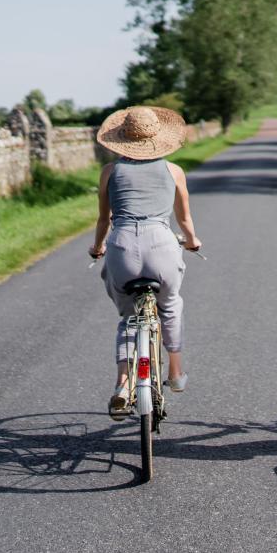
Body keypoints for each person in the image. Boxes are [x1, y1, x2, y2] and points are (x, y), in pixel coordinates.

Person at [89, 105, 202, 419]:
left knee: (128, 317)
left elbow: (103, 220)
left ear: (122, 140)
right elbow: (185, 219)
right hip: (162, 246)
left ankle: (123, 385)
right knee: (169, 305)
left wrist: (97, 248)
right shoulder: (174, 171)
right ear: (158, 137)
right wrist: (192, 241)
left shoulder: (110, 172)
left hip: (122, 246)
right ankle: (176, 374)